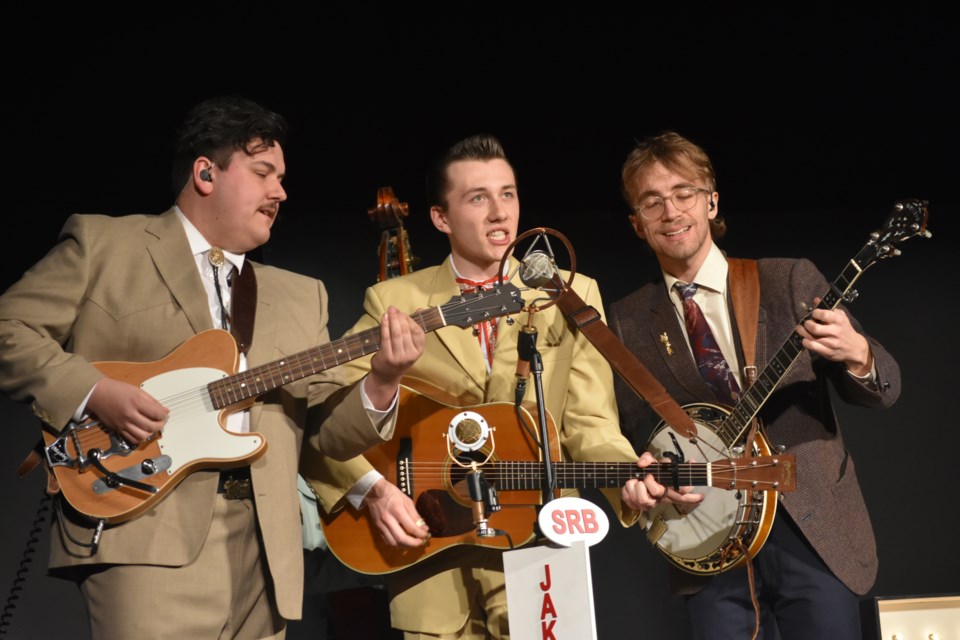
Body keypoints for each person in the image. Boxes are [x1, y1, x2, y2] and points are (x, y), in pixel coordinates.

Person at [0, 95, 424, 639]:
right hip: (146, 530)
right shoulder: (105, 245)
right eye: (263, 173)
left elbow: (325, 435)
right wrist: (94, 392)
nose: (281, 192)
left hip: (267, 551)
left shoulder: (301, 296)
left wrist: (383, 379)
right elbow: (10, 329)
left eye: (282, 178)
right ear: (206, 172)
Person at [301, 133, 698, 639]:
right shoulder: (393, 301)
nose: (498, 212)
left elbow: (588, 422)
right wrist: (374, 492)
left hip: (541, 548)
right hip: (433, 555)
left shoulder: (569, 290)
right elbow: (325, 421)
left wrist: (627, 476)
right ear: (441, 218)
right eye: (478, 197)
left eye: (507, 194)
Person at [608, 130, 901, 639]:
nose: (672, 212)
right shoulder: (626, 320)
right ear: (637, 223)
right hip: (707, 536)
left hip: (812, 527)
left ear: (711, 200)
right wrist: (648, 481)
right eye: (652, 202)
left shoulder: (787, 280)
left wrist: (859, 354)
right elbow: (638, 431)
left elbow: (884, 388)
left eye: (684, 194)